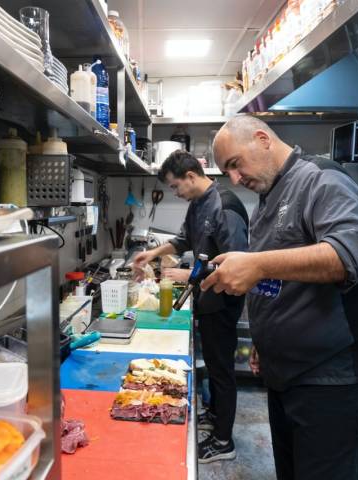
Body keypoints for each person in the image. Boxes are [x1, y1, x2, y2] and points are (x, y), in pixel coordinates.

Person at [202, 116, 358, 480]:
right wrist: (263, 338)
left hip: (331, 378)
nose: (235, 180)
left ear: (262, 139)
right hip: (285, 373)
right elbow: (283, 281)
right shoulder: (268, 199)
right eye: (227, 172)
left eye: (235, 165)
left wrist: (256, 264)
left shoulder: (320, 179)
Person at [132, 150, 249, 463]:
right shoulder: (198, 204)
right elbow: (184, 240)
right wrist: (153, 254)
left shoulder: (225, 206)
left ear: (191, 177)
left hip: (224, 301)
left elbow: (238, 266)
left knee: (222, 371)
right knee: (212, 364)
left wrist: (189, 274)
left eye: (175, 187)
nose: (175, 192)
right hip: (207, 299)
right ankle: (214, 414)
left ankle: (224, 441)